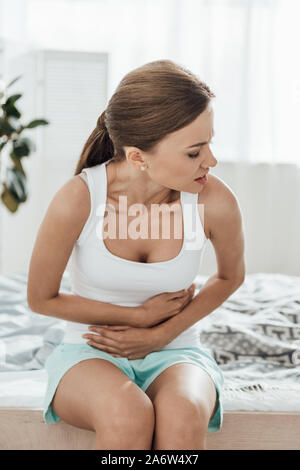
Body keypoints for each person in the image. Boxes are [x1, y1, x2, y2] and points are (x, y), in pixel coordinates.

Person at [27, 59, 245, 450]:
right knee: (128, 413)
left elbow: (230, 277)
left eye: (210, 143)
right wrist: (138, 317)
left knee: (182, 414)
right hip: (89, 350)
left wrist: (159, 333)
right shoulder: (79, 198)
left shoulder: (215, 200)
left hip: (177, 349)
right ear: (139, 157)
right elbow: (40, 298)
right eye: (195, 152)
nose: (211, 161)